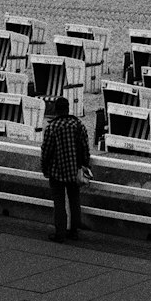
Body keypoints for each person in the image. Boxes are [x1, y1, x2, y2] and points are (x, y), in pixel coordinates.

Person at [40, 97, 92, 242]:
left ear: (56, 110)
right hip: (74, 170)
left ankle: (60, 233)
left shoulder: (52, 127)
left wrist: (45, 169)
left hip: (56, 171)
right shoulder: (78, 125)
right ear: (68, 109)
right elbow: (85, 148)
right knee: (74, 200)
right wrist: (85, 165)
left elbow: (46, 152)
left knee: (59, 202)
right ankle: (74, 231)